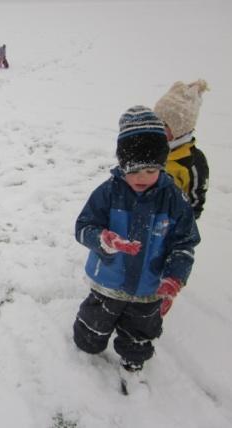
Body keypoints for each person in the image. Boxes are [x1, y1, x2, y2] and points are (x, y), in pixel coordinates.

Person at [72, 106, 200, 393]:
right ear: (122, 165)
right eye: (134, 171)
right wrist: (102, 239)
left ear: (162, 165)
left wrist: (173, 278)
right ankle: (87, 343)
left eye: (151, 169)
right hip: (108, 281)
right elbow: (83, 226)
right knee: (95, 322)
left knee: (142, 330)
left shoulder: (173, 200)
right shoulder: (108, 192)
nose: (142, 177)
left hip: (148, 288)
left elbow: (185, 243)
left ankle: (133, 360)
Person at [154, 79, 209, 219]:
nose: (157, 127)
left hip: (171, 222)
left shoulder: (193, 161)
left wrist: (182, 222)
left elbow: (196, 202)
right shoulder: (150, 148)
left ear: (179, 128)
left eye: (164, 124)